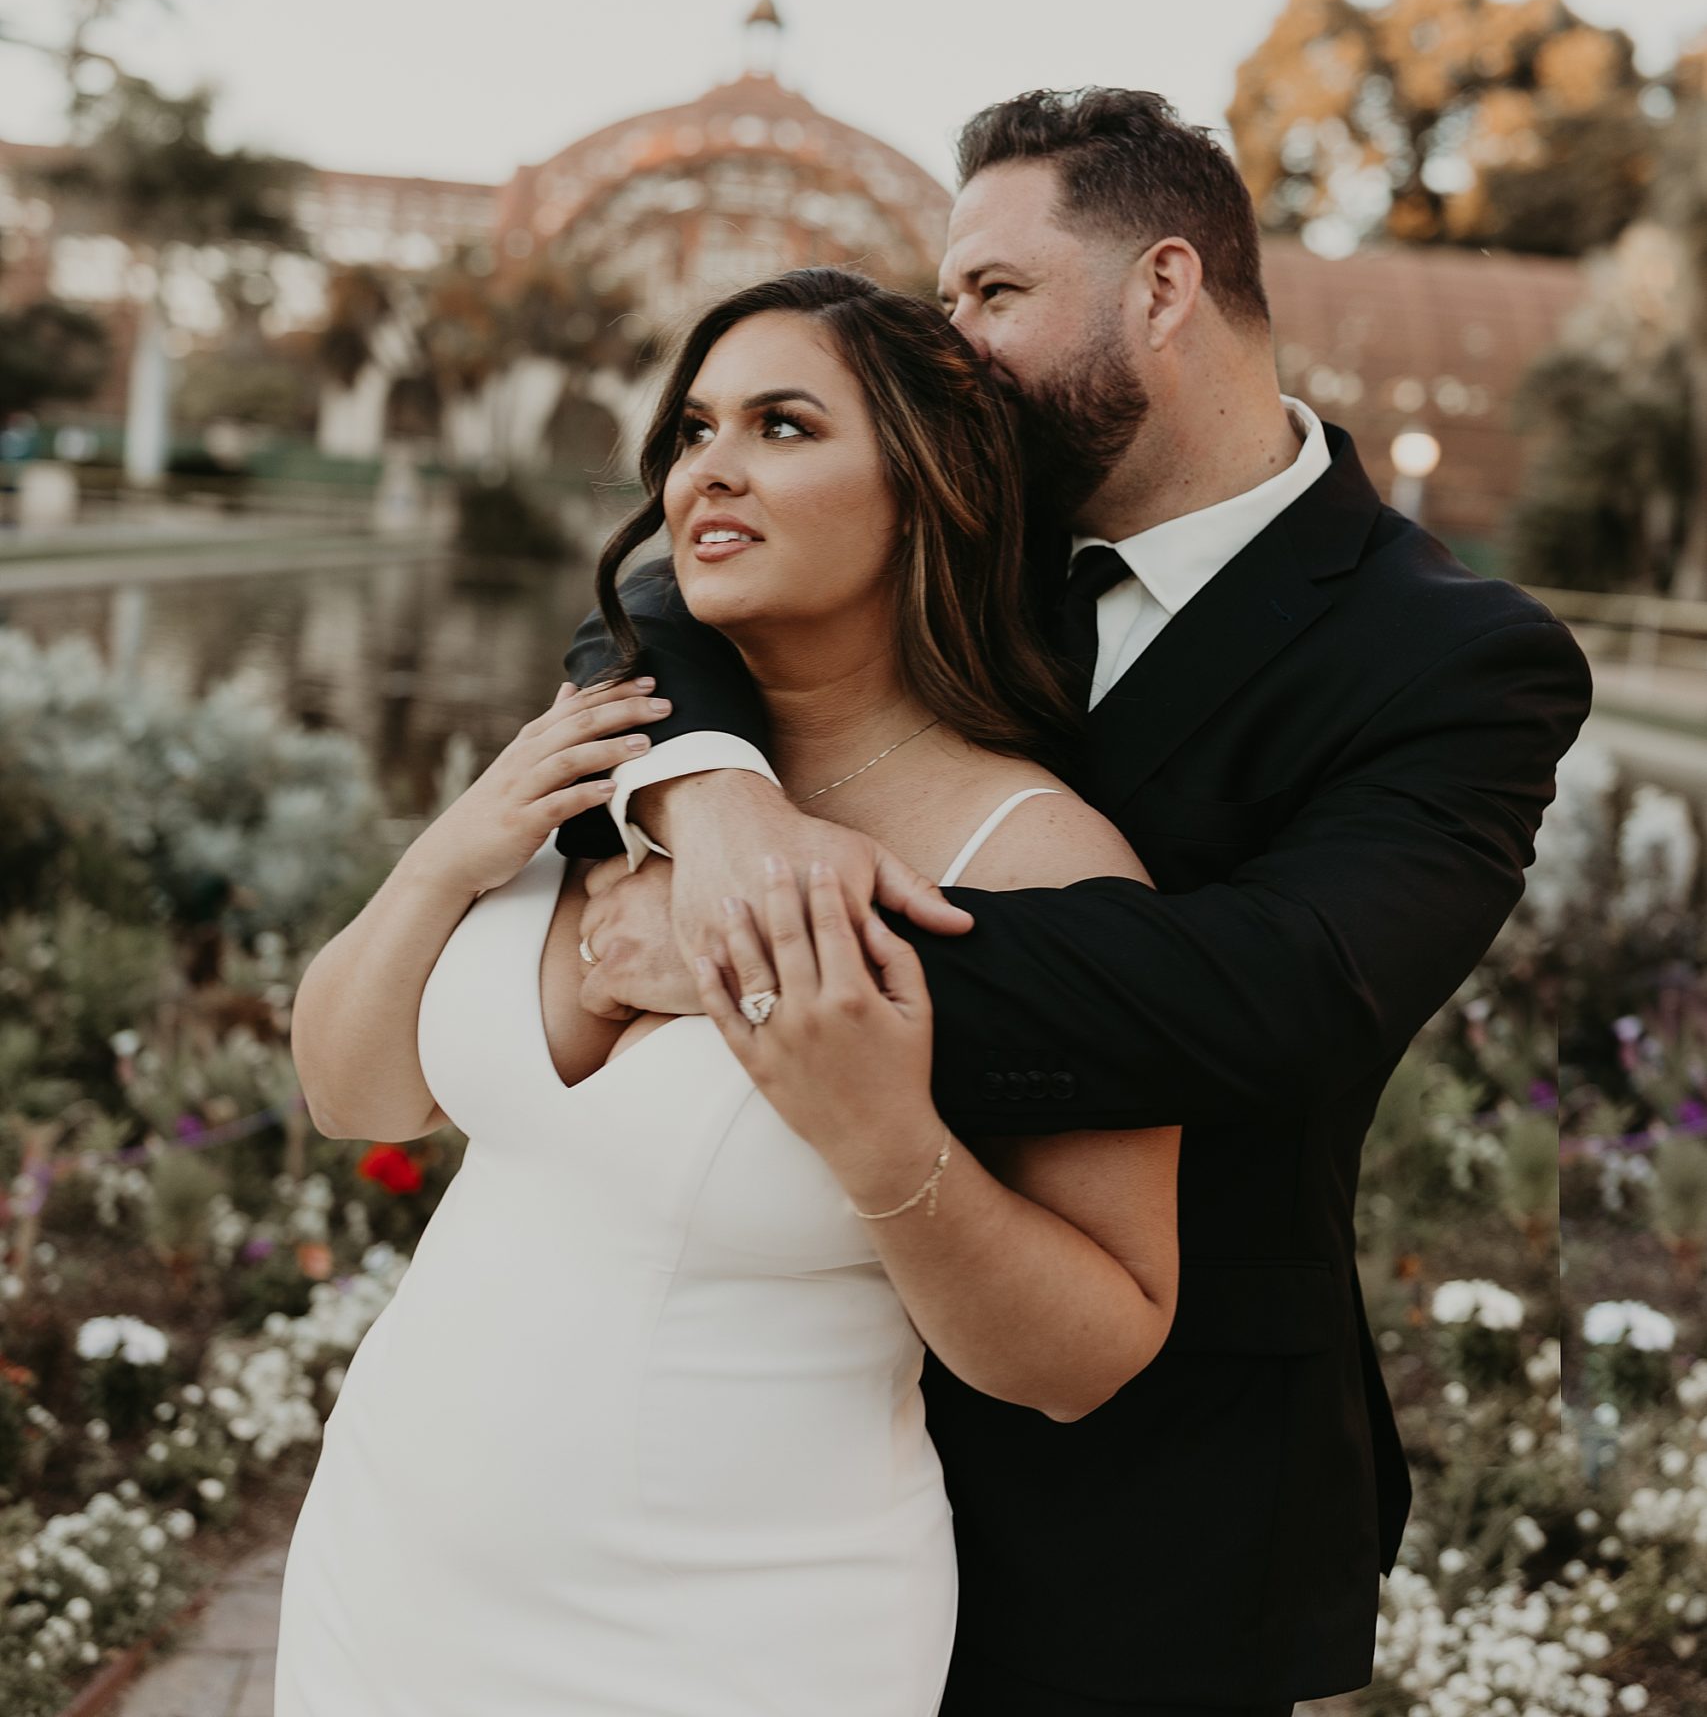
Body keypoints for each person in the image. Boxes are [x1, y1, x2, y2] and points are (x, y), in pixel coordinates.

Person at [562, 85, 1595, 1717]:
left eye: (993, 295)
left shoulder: (1457, 657)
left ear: (1164, 289)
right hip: (802, 1441)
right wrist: (722, 799)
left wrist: (762, 959)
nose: (952, 345)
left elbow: (1286, 992)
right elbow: (662, 592)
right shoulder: (972, 526)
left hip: (1155, 1484)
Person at [273, 267, 1180, 1717]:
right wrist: (454, 850)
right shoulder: (609, 740)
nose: (711, 469)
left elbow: (1093, 1350)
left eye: (783, 426)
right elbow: (349, 1092)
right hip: (390, 1575)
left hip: (734, 1636)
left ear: (926, 491)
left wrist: (883, 1135)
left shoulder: (1040, 861)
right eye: (695, 428)